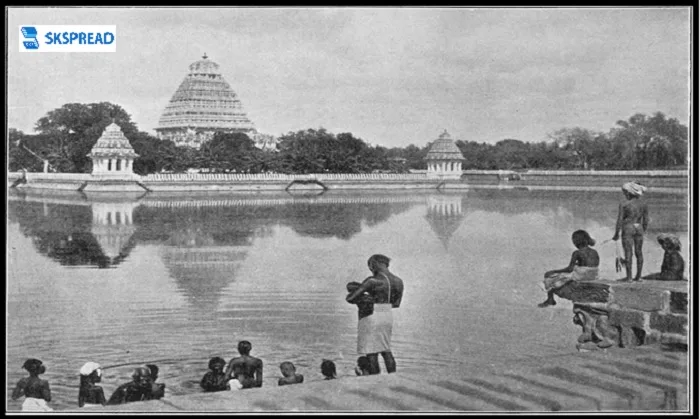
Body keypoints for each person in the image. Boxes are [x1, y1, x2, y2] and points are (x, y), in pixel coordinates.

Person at [346, 254, 404, 375]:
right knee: (385, 349)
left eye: (370, 266)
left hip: (370, 315)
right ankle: (393, 377)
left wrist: (367, 297)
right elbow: (397, 304)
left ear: (375, 263)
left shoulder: (372, 281)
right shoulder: (399, 281)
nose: (371, 269)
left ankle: (374, 379)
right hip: (386, 313)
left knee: (371, 351)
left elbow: (351, 298)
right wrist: (380, 304)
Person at [538, 230, 600, 308]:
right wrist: (579, 265)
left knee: (550, 276)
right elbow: (591, 265)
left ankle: (550, 299)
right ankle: (550, 299)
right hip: (593, 275)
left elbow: (569, 269)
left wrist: (554, 271)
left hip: (581, 276)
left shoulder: (577, 253)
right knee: (560, 278)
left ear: (576, 241)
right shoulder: (594, 252)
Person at [613, 182, 650, 281]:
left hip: (628, 227)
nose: (624, 194)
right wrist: (643, 230)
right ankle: (639, 276)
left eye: (625, 193)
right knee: (639, 252)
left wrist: (616, 233)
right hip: (639, 227)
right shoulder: (643, 204)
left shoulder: (624, 204)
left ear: (629, 193)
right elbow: (646, 220)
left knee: (628, 252)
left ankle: (629, 277)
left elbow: (620, 220)